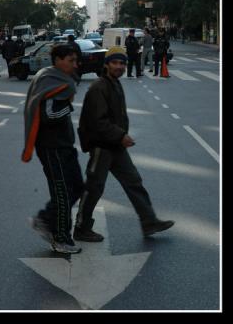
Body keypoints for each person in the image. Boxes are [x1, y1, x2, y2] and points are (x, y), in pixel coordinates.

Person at [73, 46, 175, 242]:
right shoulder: (99, 87)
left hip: (115, 145)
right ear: (107, 64)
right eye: (115, 62)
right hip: (102, 146)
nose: (119, 66)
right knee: (94, 187)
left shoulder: (114, 84)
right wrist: (121, 136)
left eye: (122, 63)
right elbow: (98, 122)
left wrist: (120, 137)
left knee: (133, 181)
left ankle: (149, 221)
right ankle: (81, 227)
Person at [22, 44, 84, 254]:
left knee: (77, 187)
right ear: (57, 59)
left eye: (76, 60)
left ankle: (45, 219)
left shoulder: (58, 79)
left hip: (64, 144)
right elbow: (48, 115)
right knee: (62, 193)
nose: (74, 64)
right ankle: (60, 238)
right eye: (70, 60)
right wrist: (69, 105)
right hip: (52, 147)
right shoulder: (50, 78)